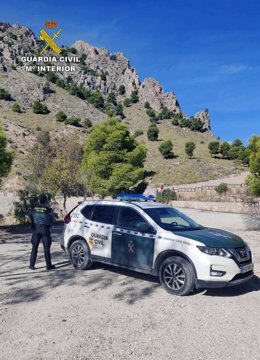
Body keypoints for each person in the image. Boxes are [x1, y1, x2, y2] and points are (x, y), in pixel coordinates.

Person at [29, 194, 56, 271]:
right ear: (46, 201)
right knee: (46, 248)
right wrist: (50, 225)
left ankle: (31, 265)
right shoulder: (49, 210)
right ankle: (48, 266)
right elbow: (53, 220)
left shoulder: (33, 209)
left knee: (34, 247)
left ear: (38, 200)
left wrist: (33, 223)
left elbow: (30, 216)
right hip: (45, 229)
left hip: (36, 229)